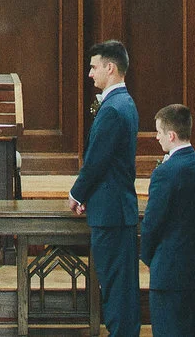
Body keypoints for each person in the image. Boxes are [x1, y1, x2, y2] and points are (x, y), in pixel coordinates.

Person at [70, 39, 140, 337]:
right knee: (118, 287)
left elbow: (97, 161)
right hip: (114, 207)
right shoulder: (124, 102)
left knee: (116, 289)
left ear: (110, 68)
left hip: (111, 213)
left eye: (94, 67)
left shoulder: (113, 108)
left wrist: (77, 194)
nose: (90, 74)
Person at [136, 104, 195, 337]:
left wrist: (148, 256)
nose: (157, 137)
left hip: (168, 269)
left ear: (171, 135)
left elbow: (152, 222)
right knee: (189, 328)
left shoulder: (165, 172)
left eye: (159, 132)